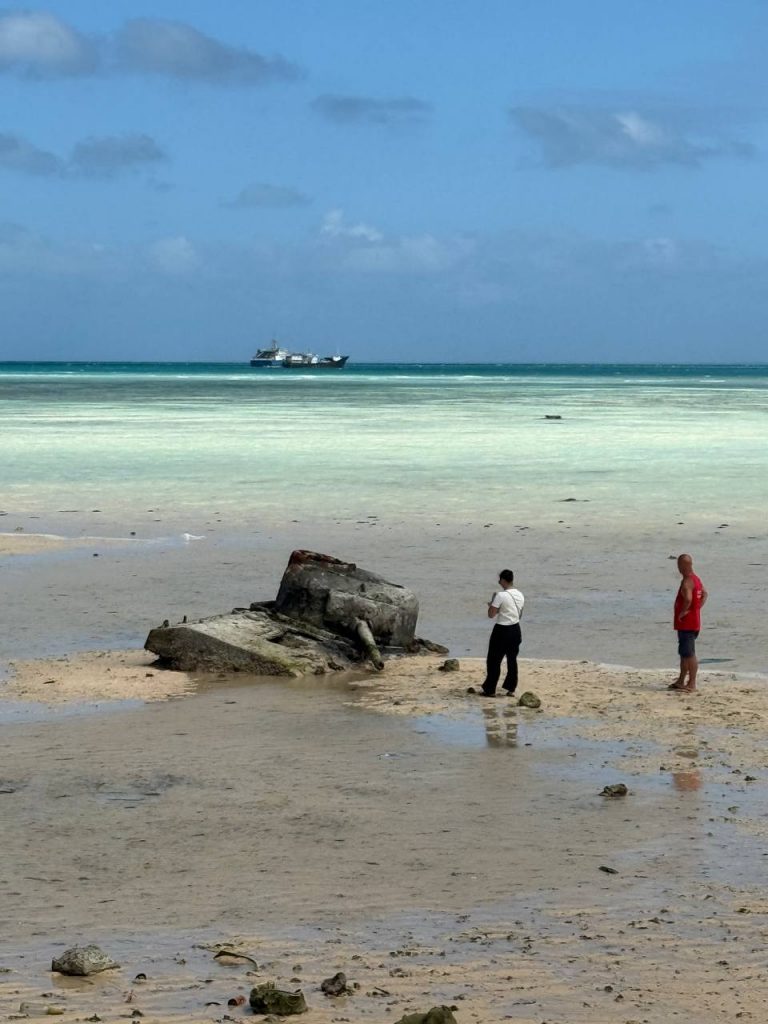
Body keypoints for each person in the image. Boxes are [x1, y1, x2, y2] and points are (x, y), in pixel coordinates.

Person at [480, 569, 524, 697]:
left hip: (502, 630)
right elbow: (518, 614)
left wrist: (492, 604)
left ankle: (490, 689)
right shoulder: (520, 595)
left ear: (504, 580)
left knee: (494, 660)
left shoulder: (500, 595)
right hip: (516, 629)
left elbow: (491, 615)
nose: (499, 582)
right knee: (512, 660)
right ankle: (511, 688)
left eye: (500, 580)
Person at [669, 553, 707, 692]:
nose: (678, 568)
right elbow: (705, 594)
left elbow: (688, 599)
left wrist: (684, 611)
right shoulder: (696, 579)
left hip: (687, 624)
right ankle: (681, 680)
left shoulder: (687, 581)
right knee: (684, 653)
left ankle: (691, 683)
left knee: (689, 653)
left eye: (679, 565)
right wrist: (697, 608)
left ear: (685, 565)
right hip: (693, 622)